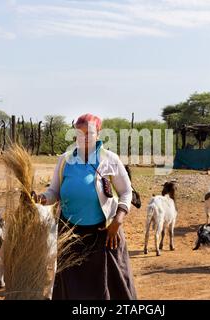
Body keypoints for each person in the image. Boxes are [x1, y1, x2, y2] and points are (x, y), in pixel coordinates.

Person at [35, 113, 137, 300]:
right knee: (71, 287)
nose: (84, 137)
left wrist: (118, 221)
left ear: (98, 133)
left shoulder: (109, 159)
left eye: (89, 133)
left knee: (108, 287)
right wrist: (42, 198)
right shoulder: (65, 160)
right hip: (70, 235)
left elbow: (126, 192)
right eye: (79, 133)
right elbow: (54, 192)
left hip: (105, 234)